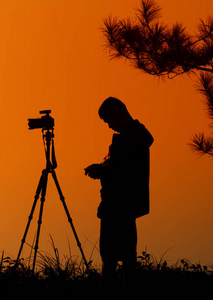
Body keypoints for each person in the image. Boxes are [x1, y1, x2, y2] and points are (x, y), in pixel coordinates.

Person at [85, 97, 154, 296]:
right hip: (118, 204)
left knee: (116, 255)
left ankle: (110, 292)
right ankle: (117, 290)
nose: (109, 126)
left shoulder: (135, 137)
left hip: (120, 205)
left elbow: (123, 169)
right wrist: (102, 168)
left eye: (109, 120)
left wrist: (102, 170)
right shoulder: (131, 137)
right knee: (116, 254)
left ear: (119, 112)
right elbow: (118, 164)